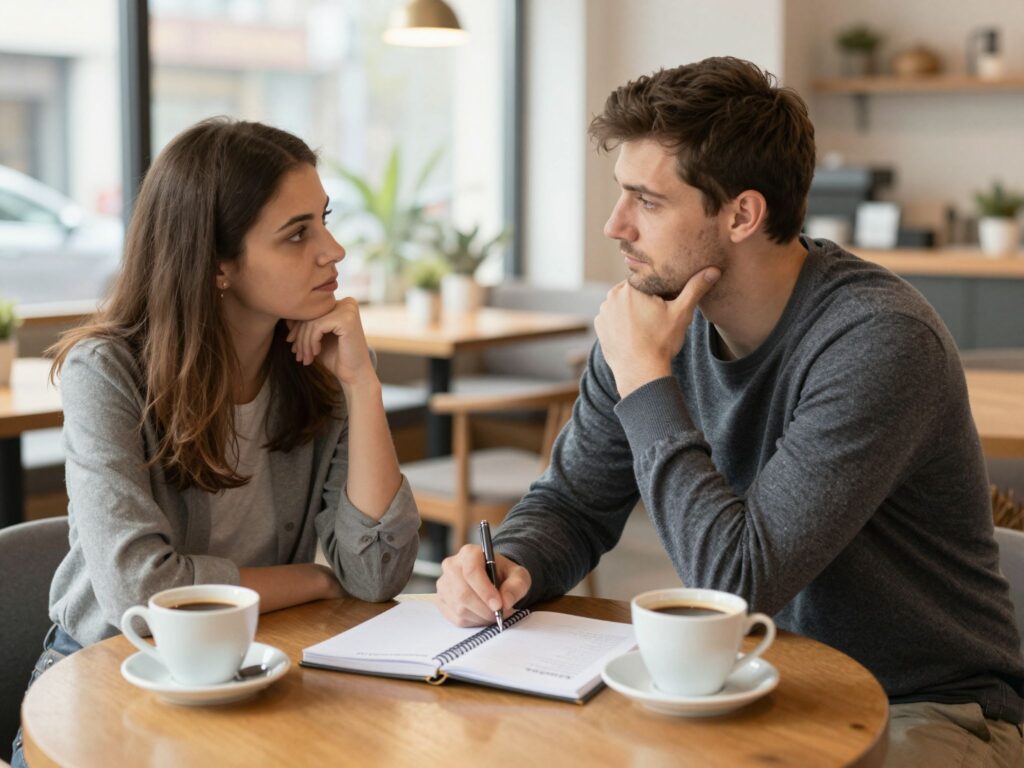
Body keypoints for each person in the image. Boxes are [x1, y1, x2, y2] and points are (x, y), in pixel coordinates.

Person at [436, 57, 1024, 765]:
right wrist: (512, 564)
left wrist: (645, 378)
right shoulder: (649, 323)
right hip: (753, 683)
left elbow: (735, 582)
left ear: (743, 214)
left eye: (646, 201)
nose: (614, 225)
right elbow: (572, 502)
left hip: (931, 706)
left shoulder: (878, 340)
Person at [11, 118, 420, 767]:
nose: (334, 250)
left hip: (250, 672)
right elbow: (142, 594)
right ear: (218, 264)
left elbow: (373, 573)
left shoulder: (317, 368)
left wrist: (363, 384)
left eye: (324, 219)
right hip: (105, 676)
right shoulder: (107, 373)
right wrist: (315, 579)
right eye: (298, 233)